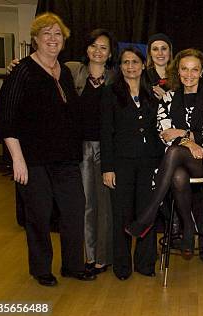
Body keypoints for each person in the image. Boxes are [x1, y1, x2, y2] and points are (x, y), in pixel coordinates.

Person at [0, 12, 96, 286]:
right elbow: (6, 119)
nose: (53, 39)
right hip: (33, 160)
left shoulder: (64, 70)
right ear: (35, 39)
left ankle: (73, 265)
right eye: (47, 34)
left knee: (74, 210)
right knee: (39, 215)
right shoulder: (22, 71)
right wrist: (17, 159)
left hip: (65, 158)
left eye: (57, 35)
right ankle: (41, 269)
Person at [125, 48, 203, 266]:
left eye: (194, 70)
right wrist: (189, 141)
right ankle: (188, 227)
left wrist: (184, 135)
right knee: (178, 175)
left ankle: (148, 215)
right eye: (184, 69)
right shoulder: (170, 97)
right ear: (178, 71)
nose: (189, 74)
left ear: (202, 72)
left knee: (174, 153)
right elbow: (164, 133)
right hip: (177, 163)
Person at [101, 47, 165, 279]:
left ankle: (145, 263)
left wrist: (164, 99)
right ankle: (122, 266)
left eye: (135, 62)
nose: (130, 67)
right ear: (120, 66)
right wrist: (107, 168)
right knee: (122, 214)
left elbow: (162, 127)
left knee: (147, 213)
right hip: (121, 163)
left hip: (150, 161)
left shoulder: (153, 93)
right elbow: (106, 133)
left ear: (143, 65)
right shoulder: (110, 93)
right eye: (125, 62)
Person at [65, 29, 118, 275]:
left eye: (103, 47)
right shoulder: (73, 70)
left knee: (106, 205)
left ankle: (103, 257)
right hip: (80, 148)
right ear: (87, 48)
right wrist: (15, 64)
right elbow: (41, 67)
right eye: (94, 46)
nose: (98, 51)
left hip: (108, 149)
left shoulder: (116, 77)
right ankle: (89, 255)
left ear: (109, 54)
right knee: (86, 204)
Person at [146, 33, 173, 99]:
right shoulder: (143, 76)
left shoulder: (180, 77)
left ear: (169, 51)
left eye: (164, 49)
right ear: (150, 53)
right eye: (155, 49)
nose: (160, 53)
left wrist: (166, 99)